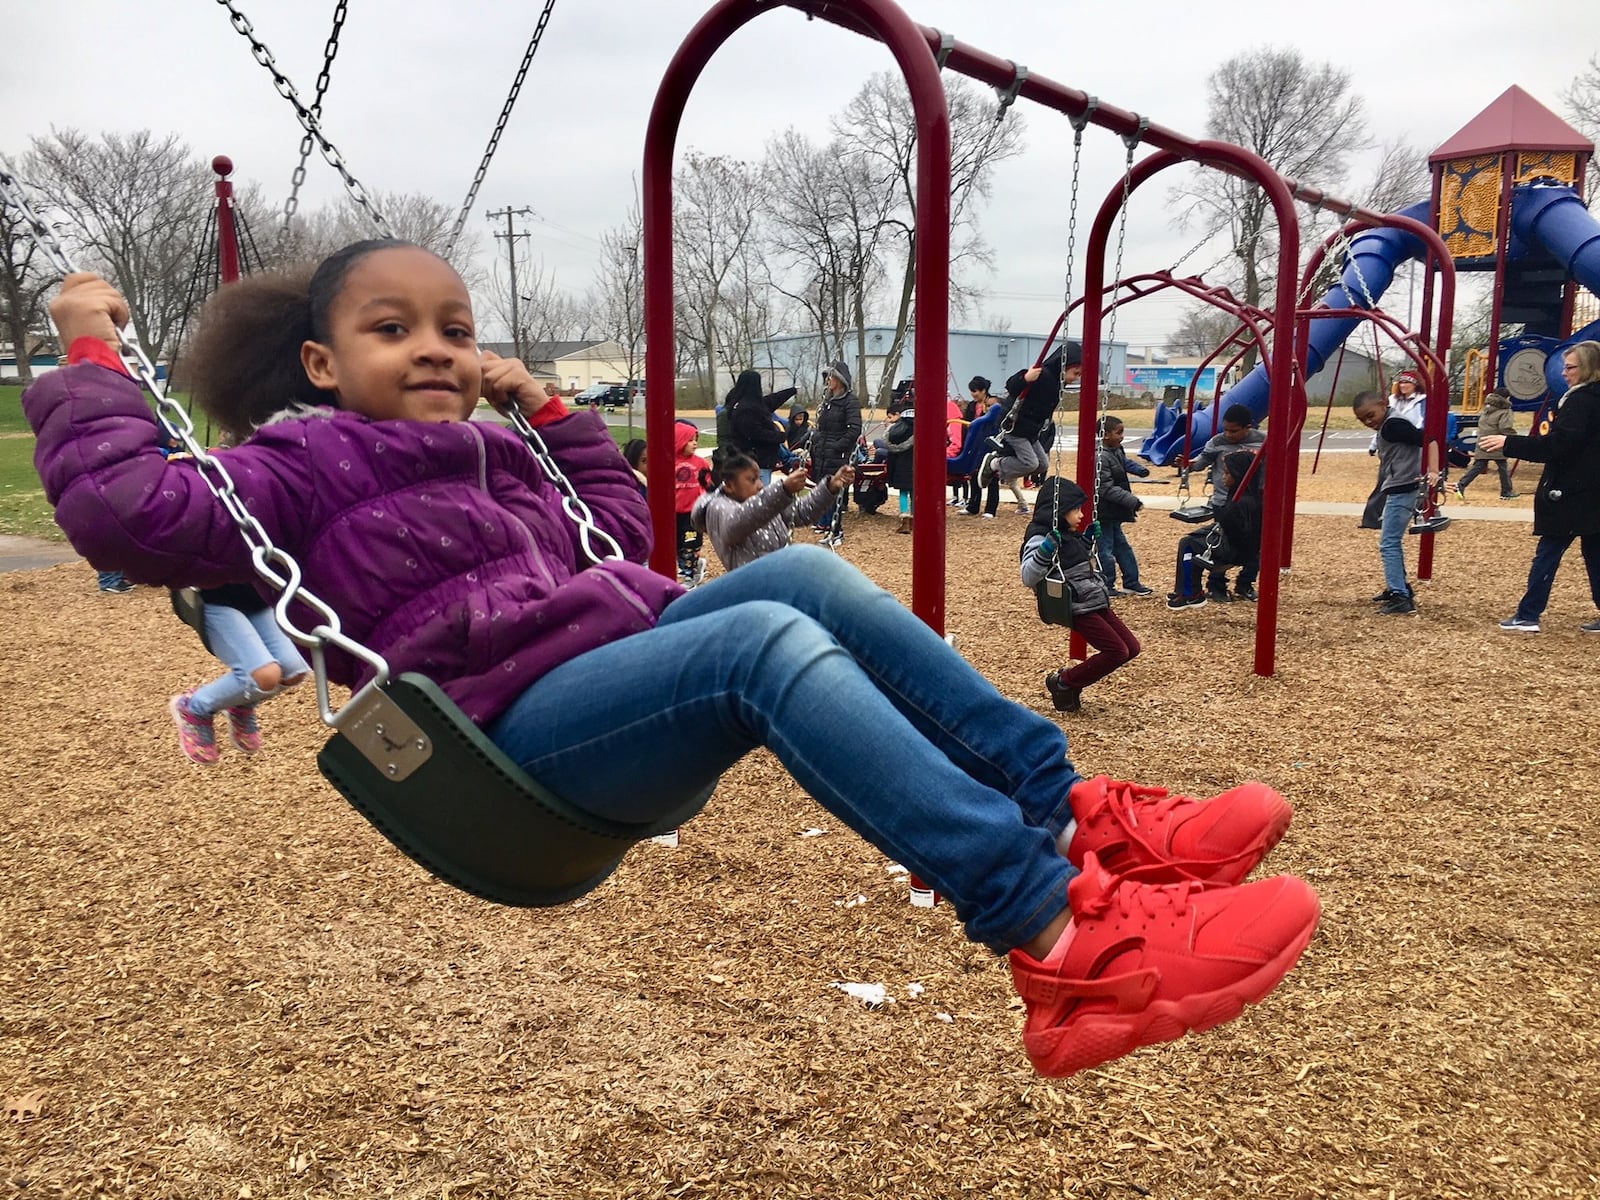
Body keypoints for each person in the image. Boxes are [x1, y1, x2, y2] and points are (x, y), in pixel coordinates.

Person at [28, 244, 1318, 1080]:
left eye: (453, 325)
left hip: (624, 661)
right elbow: (124, 512)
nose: (434, 347)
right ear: (322, 363)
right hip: (510, 740)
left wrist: (536, 403)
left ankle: (1077, 814)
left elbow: (610, 510)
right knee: (762, 634)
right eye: (391, 329)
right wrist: (89, 346)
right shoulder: (296, 466)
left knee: (805, 573)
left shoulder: (493, 442)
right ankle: (1056, 942)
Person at [1479, 340, 1600, 634]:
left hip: (1572, 490)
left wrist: (1510, 444)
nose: (1565, 373)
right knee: (1595, 552)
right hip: (1593, 489)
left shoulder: (1580, 401)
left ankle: (1528, 614)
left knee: (1549, 552)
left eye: (1571, 367)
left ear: (1587, 369)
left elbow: (1559, 445)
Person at [1021, 478, 1141, 713]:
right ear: (1058, 511)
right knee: (1116, 651)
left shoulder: (1066, 534)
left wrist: (1086, 542)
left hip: (1093, 599)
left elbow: (1070, 561)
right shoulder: (1040, 537)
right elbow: (1028, 576)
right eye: (1075, 510)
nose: (1080, 515)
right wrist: (1045, 551)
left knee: (1132, 647)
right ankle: (1063, 682)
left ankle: (1070, 684)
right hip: (1076, 605)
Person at [169, 585, 312, 764]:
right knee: (265, 676)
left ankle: (241, 702)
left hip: (258, 598)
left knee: (295, 669)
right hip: (214, 599)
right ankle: (194, 707)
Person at [691, 451, 854, 572]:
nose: (760, 485)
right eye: (752, 480)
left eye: (760, 478)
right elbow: (737, 524)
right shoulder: (718, 508)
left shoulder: (765, 502)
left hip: (781, 576)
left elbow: (803, 512)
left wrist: (831, 486)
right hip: (755, 589)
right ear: (729, 485)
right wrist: (782, 490)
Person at [983, 342, 1084, 513]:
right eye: (1075, 373)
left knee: (1042, 464)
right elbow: (1012, 385)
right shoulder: (1042, 374)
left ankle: (1002, 469)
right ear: (1064, 365)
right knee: (1030, 463)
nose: (1076, 377)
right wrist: (1026, 378)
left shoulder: (1059, 382)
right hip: (1014, 426)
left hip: (1030, 430)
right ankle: (994, 464)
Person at [1180, 402, 1267, 601]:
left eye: (1234, 431)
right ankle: (1217, 585)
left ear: (1248, 427)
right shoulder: (1217, 442)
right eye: (1225, 429)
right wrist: (1188, 465)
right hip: (1224, 501)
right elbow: (1201, 463)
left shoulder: (1263, 442)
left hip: (1254, 501)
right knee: (1222, 544)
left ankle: (1245, 583)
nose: (1229, 434)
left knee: (1256, 545)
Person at [1352, 389, 1425, 616]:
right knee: (1391, 541)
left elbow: (1423, 437)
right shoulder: (1391, 423)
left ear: (1384, 404)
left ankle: (1400, 596)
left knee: (1389, 543)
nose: (1368, 422)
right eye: (1362, 419)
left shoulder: (1393, 425)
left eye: (1370, 415)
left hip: (1403, 486)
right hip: (1401, 483)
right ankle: (1400, 587)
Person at [1167, 450, 1264, 611]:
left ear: (1239, 475)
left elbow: (1238, 532)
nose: (1222, 477)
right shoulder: (1247, 494)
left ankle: (1191, 593)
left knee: (1188, 545)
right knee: (1193, 542)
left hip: (1235, 552)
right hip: (1236, 546)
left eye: (1227, 473)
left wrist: (1222, 519)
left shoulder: (1243, 502)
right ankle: (1187, 590)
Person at [1094, 416, 1154, 598]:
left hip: (1114, 510)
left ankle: (1132, 581)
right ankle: (1107, 584)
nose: (1122, 436)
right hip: (1104, 510)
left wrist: (1139, 470)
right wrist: (1131, 501)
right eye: (1118, 433)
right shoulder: (1101, 457)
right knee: (1105, 549)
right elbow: (1104, 487)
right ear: (1105, 435)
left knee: (1122, 546)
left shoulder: (1116, 449)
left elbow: (1123, 462)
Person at [810, 360, 861, 544]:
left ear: (839, 379)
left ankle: (836, 530)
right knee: (824, 490)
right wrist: (816, 441)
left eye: (831, 377)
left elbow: (854, 429)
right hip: (823, 451)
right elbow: (821, 427)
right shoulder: (828, 401)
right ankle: (827, 526)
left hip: (837, 453)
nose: (828, 381)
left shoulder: (850, 401)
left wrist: (838, 445)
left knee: (836, 492)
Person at [726, 369, 797, 483]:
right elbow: (755, 433)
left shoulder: (749, 404)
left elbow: (773, 400)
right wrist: (779, 436)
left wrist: (791, 391)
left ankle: (790, 459)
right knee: (760, 497)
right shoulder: (746, 409)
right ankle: (791, 460)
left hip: (757, 459)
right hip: (756, 462)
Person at [1455, 387, 1520, 500]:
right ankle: (1506, 491)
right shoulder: (1505, 410)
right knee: (1502, 466)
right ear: (1507, 397)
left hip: (1483, 440)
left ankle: (1461, 484)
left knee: (1479, 465)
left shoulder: (1488, 408)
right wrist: (1514, 438)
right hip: (1496, 440)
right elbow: (1505, 427)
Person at [672, 419, 711, 586]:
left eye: (696, 440)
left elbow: (708, 483)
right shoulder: (670, 462)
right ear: (680, 440)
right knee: (677, 546)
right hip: (674, 514)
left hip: (692, 514)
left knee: (690, 544)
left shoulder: (700, 463)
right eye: (690, 440)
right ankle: (691, 568)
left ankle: (689, 575)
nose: (694, 444)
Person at [960, 379, 1002, 519]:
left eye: (975, 391)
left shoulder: (994, 404)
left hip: (990, 443)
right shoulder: (972, 406)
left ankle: (991, 509)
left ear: (983, 390)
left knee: (992, 475)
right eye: (971, 391)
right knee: (974, 474)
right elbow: (967, 423)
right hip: (975, 443)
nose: (973, 394)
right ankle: (973, 506)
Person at [884, 398, 916, 534]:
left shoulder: (896, 430)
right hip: (916, 465)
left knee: (903, 492)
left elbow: (888, 444)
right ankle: (915, 518)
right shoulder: (919, 427)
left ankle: (905, 519)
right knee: (914, 492)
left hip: (900, 465)